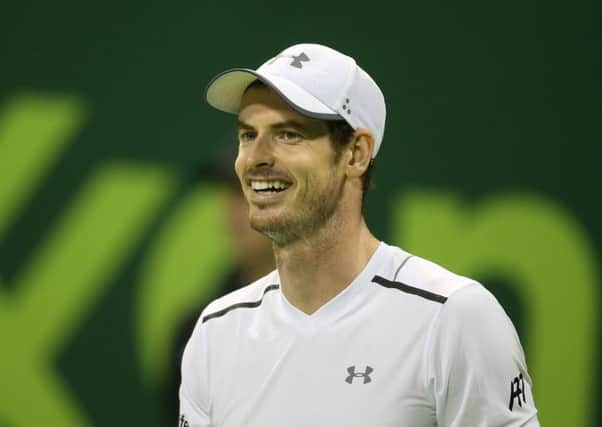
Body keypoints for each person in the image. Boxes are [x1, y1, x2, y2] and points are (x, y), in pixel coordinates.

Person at [179, 43, 540, 426]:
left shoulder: (454, 318)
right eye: (248, 135)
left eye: (288, 135)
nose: (255, 158)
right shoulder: (215, 332)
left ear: (356, 154)